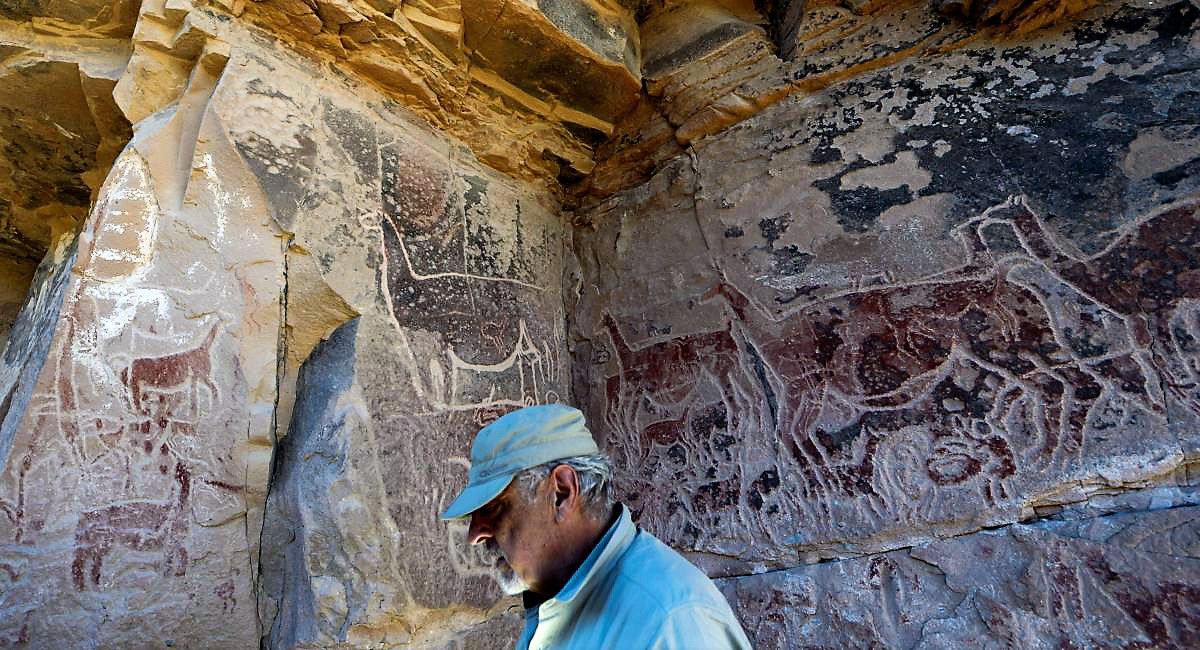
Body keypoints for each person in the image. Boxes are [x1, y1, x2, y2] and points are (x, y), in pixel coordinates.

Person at [441, 403, 752, 649]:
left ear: (562, 492)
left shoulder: (669, 621)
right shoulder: (559, 598)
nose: (475, 535)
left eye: (495, 508)